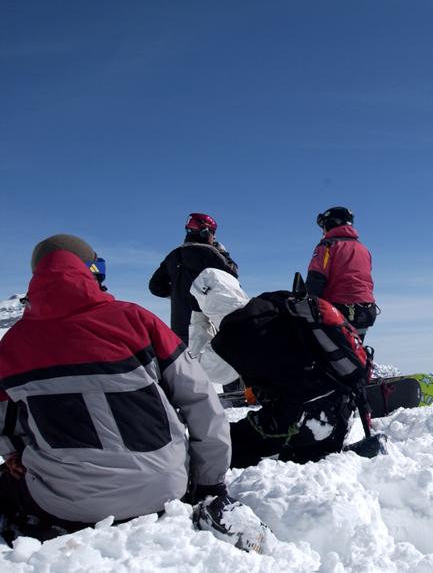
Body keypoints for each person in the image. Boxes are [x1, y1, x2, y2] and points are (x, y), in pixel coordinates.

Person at [0, 235, 234, 540]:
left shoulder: (12, 346)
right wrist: (209, 482)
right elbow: (201, 402)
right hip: (164, 490)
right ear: (93, 271)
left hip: (65, 503)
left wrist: (12, 454)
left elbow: (6, 424)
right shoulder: (138, 321)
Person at [189, 268, 382, 468]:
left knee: (217, 446)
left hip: (297, 420)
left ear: (205, 302)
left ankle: (310, 459)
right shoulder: (275, 301)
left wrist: (198, 319)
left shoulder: (230, 336)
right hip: (341, 407)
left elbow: (199, 368)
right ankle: (333, 458)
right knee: (309, 457)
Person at [149, 212, 239, 345]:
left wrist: (176, 293)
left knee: (186, 364)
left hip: (179, 329)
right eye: (213, 232)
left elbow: (155, 287)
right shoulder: (210, 253)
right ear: (205, 231)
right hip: (207, 329)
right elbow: (232, 275)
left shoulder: (173, 256)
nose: (214, 237)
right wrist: (223, 253)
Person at [306, 207, 377, 341]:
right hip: (365, 310)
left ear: (331, 223)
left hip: (338, 310)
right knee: (353, 352)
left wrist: (308, 303)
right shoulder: (363, 248)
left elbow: (316, 278)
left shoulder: (327, 246)